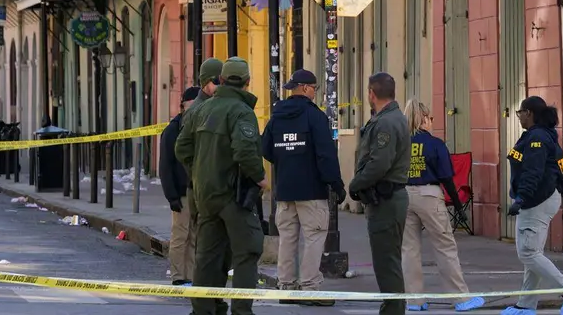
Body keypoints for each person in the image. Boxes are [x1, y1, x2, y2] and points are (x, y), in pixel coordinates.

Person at [175, 57, 266, 315]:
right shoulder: (241, 111)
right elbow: (245, 150)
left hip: (205, 195)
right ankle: (241, 310)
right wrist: (260, 177)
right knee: (248, 250)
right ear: (247, 82)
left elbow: (182, 147)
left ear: (222, 80)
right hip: (231, 194)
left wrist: (199, 172)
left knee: (207, 255)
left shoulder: (200, 110)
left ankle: (203, 309)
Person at [477, 96, 563, 315]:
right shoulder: (543, 136)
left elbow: (533, 171)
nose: (519, 117)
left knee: (527, 253)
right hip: (542, 198)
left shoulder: (537, 139)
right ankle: (526, 305)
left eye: (520, 113)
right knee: (532, 252)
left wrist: (521, 198)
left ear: (530, 113)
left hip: (536, 200)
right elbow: (560, 169)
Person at [262, 68, 344, 296]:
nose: (315, 93)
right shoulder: (315, 116)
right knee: (314, 238)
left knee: (287, 238)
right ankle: (308, 287)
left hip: (285, 190)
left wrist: (285, 159)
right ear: (306, 88)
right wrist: (336, 184)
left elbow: (265, 148)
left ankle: (286, 285)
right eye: (315, 89)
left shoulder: (277, 116)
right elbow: (326, 154)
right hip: (311, 190)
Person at [400, 99, 474, 312]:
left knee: (409, 249)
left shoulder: (400, 143)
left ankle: (414, 300)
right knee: (444, 246)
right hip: (429, 195)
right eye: (430, 118)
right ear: (423, 119)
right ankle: (460, 298)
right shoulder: (435, 144)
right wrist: (458, 206)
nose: (432, 122)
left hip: (403, 195)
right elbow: (446, 178)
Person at [349, 72, 412, 315]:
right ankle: (393, 307)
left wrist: (356, 184)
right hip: (387, 198)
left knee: (386, 262)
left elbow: (379, 163)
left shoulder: (386, 122)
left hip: (386, 199)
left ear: (371, 93)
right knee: (388, 260)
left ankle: (393, 310)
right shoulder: (391, 118)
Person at [160, 85, 202, 285]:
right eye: (192, 103)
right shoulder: (172, 130)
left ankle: (191, 276)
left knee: (194, 235)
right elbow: (165, 165)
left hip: (197, 190)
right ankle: (178, 277)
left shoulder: (199, 125)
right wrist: (172, 196)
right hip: (181, 191)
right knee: (180, 235)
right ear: (183, 105)